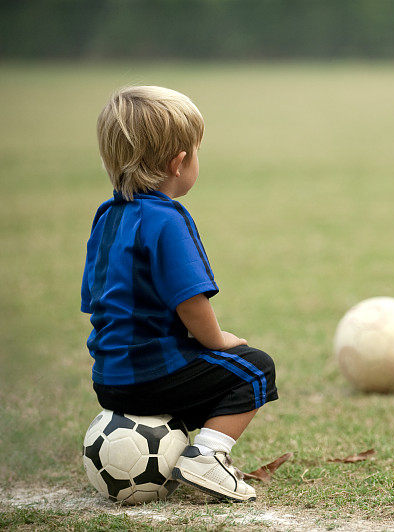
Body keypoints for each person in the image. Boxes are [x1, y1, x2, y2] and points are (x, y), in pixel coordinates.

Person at [81, 86, 277, 501]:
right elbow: (190, 301)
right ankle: (206, 457)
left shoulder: (107, 217)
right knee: (255, 368)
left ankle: (181, 449)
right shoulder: (168, 220)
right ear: (179, 162)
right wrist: (217, 341)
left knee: (204, 367)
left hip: (108, 379)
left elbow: (95, 302)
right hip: (152, 373)